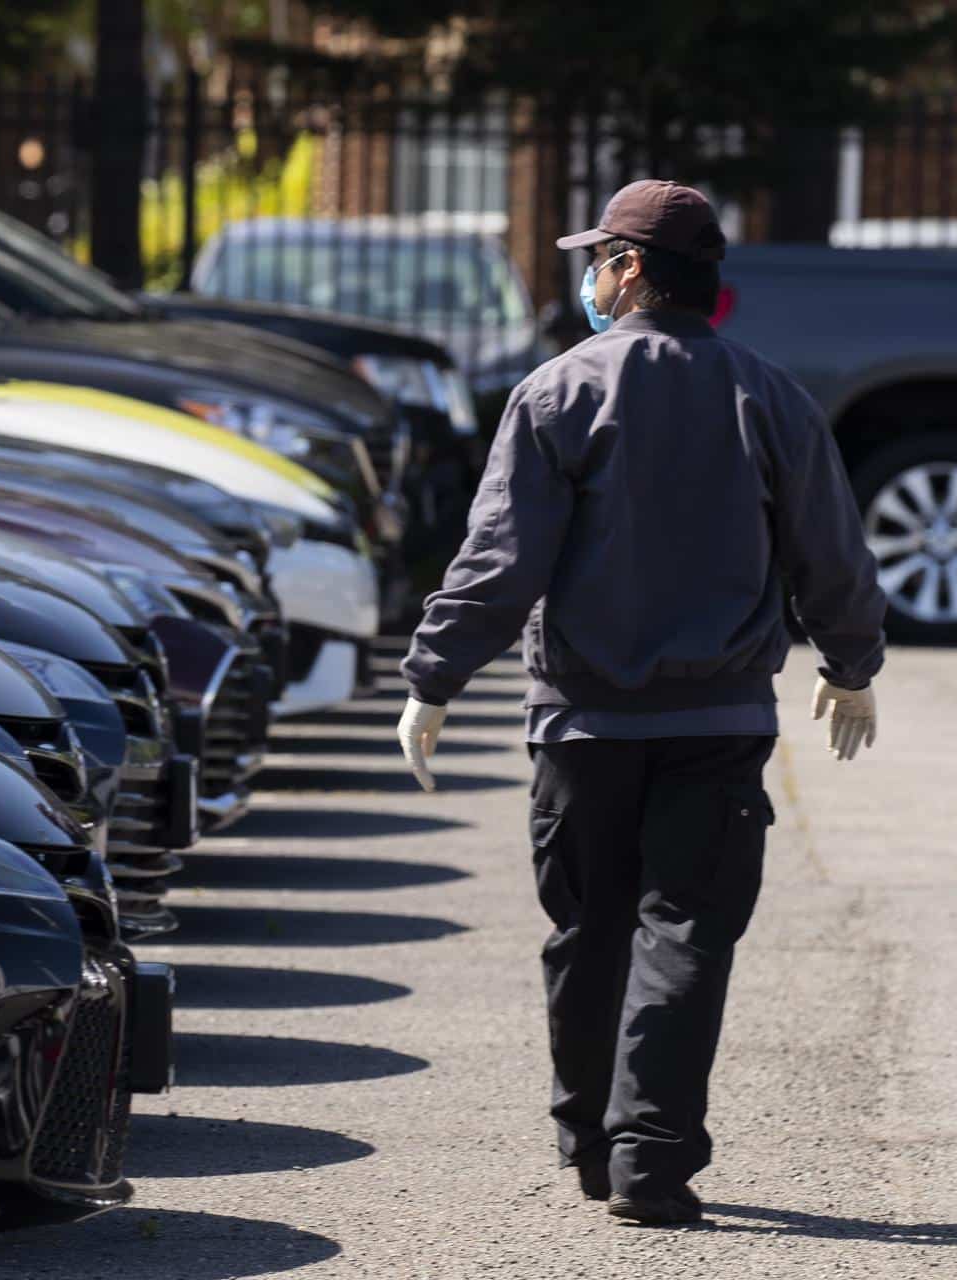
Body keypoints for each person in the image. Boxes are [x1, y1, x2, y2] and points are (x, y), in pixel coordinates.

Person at [395, 179, 887, 1225]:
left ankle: (587, 1141)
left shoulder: (557, 391)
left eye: (596, 258)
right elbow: (830, 550)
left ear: (625, 271)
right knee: (687, 935)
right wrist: (850, 664)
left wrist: (434, 676)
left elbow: (498, 563)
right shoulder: (769, 394)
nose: (587, 276)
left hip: (582, 722)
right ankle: (651, 1162)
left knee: (588, 929)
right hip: (718, 723)